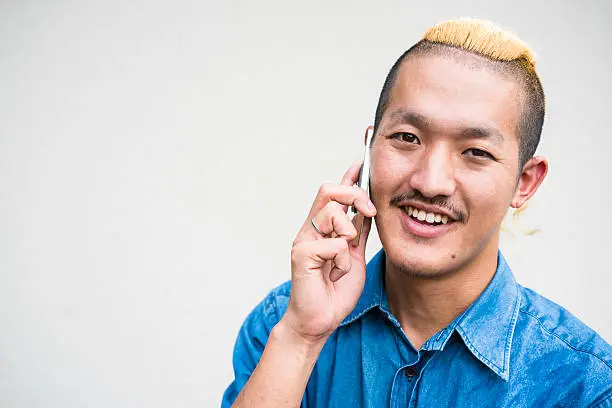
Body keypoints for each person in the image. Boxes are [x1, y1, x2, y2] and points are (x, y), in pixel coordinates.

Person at [221, 18, 612, 407]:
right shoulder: (283, 322)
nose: (430, 182)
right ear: (370, 149)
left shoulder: (584, 385)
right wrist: (301, 338)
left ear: (525, 182)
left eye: (476, 152)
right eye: (407, 138)